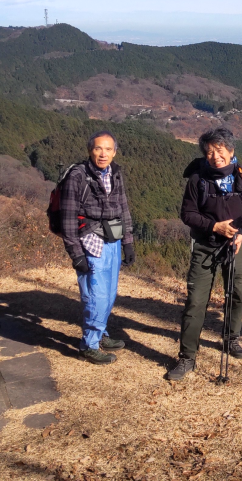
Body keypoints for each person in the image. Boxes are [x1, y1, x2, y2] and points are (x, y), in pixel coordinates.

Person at [168, 127, 242, 380]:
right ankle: (187, 357)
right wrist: (214, 226)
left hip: (236, 244)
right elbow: (187, 214)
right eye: (209, 152)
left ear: (231, 150)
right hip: (204, 245)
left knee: (236, 294)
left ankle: (231, 338)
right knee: (196, 301)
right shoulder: (197, 179)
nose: (215, 156)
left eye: (219, 150)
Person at [60, 131, 136, 365]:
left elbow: (122, 207)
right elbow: (68, 217)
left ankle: (100, 332)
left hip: (112, 238)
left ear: (115, 151)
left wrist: (128, 241)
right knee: (96, 295)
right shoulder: (77, 176)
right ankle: (89, 345)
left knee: (110, 293)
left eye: (108, 149)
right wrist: (76, 253)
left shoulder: (115, 173)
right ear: (90, 150)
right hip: (91, 241)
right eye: (98, 149)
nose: (103, 154)